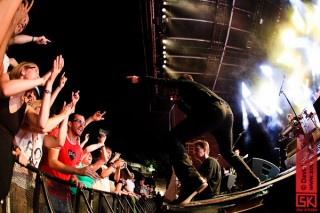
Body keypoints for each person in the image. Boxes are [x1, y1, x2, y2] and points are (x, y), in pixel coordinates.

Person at [127, 74, 260, 206]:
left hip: (214, 111)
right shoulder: (199, 94)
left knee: (173, 138)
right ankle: (253, 180)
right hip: (226, 113)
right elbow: (194, 116)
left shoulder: (187, 84)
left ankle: (192, 181)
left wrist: (140, 79)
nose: (177, 92)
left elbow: (166, 81)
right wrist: (179, 103)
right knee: (227, 152)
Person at [0, 54, 64, 201]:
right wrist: (42, 80)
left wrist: (49, 86)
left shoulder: (25, 108)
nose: (38, 74)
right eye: (35, 70)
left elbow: (42, 124)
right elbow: (5, 90)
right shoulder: (5, 78)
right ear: (23, 70)